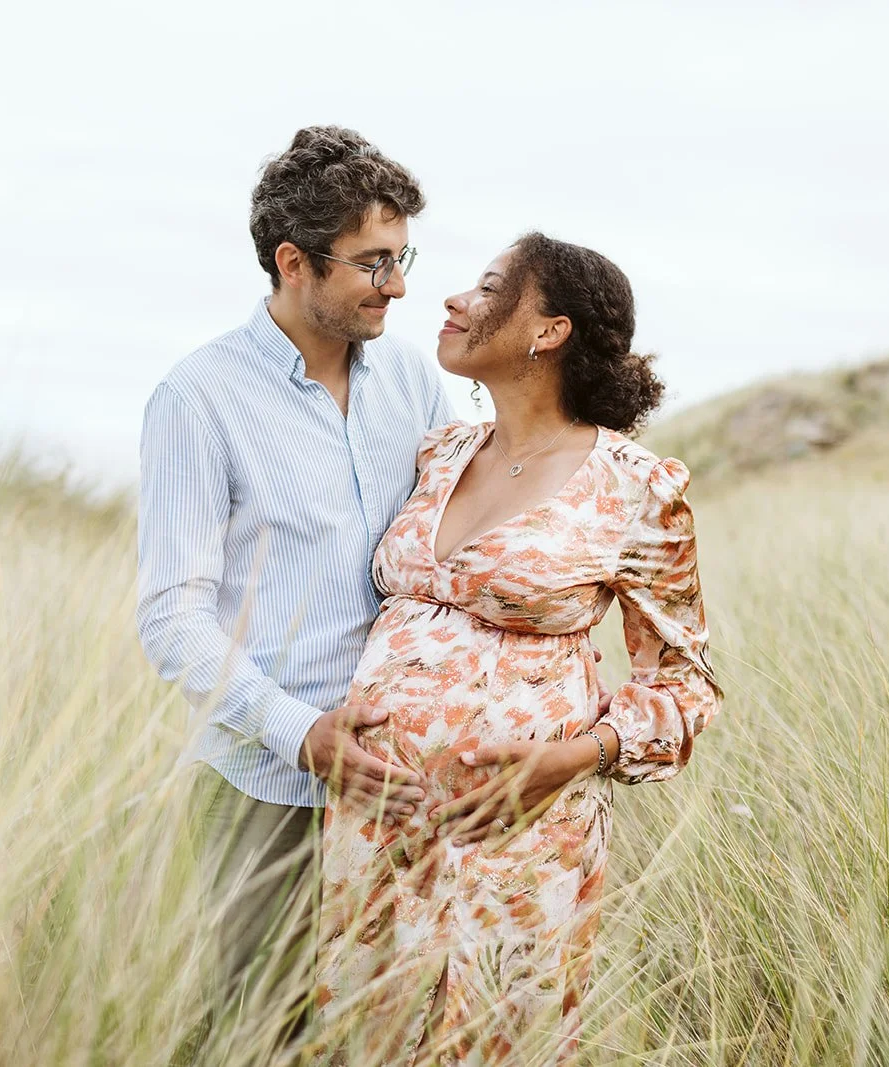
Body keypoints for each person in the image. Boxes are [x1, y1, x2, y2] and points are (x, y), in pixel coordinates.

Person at [313, 232, 722, 1065]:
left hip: (519, 832)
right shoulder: (438, 455)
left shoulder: (634, 487)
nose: (455, 299)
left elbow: (684, 682)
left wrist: (575, 756)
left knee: (499, 1041)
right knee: (361, 1040)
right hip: (377, 821)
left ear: (548, 331)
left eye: (491, 286)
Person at [134, 126, 449, 1035]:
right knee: (256, 1030)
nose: (398, 284)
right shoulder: (197, 399)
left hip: (403, 777)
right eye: (374, 262)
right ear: (293, 261)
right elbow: (171, 619)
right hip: (266, 788)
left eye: (403, 256)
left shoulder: (412, 382)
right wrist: (299, 730)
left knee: (391, 1031)